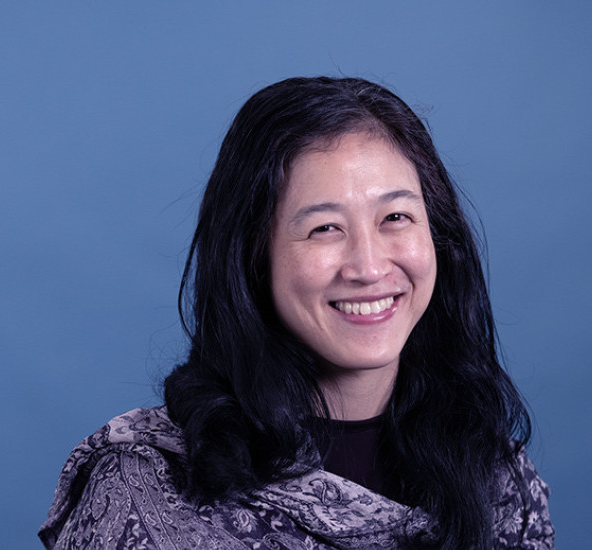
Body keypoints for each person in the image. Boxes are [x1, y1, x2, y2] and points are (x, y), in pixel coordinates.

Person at [39, 76, 554, 549]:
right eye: (325, 228)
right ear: (253, 258)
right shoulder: (145, 487)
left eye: (395, 217)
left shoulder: (497, 479)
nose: (370, 266)